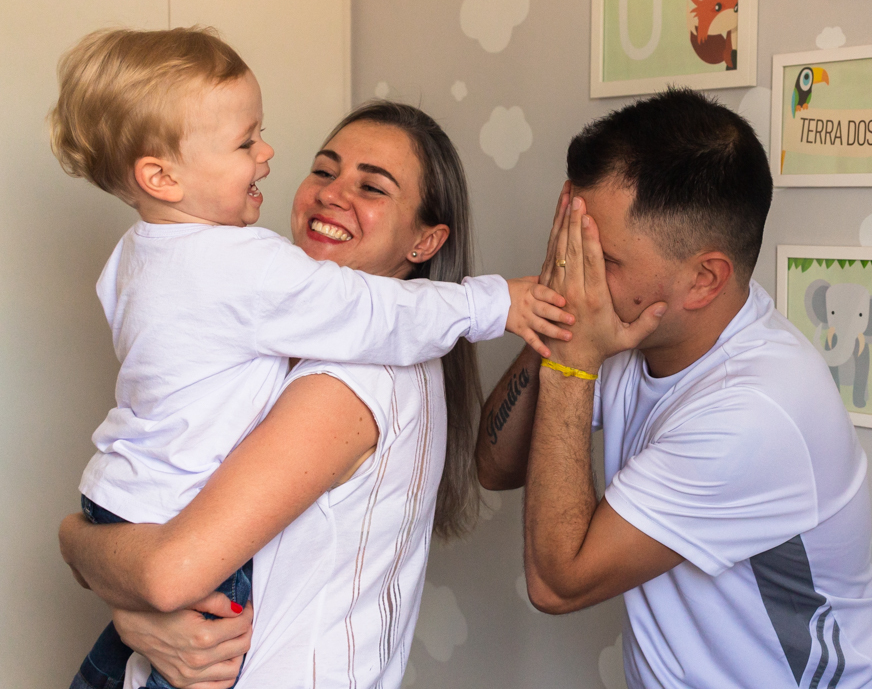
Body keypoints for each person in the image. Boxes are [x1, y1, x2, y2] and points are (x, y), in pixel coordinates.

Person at [60, 100, 539, 686]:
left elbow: (167, 576)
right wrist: (132, 610)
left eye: (373, 188)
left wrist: (79, 541)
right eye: (324, 170)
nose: (334, 194)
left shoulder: (353, 379)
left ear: (424, 242)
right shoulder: (268, 330)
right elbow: (164, 573)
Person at [476, 89, 872, 688]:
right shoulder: (635, 332)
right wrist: (555, 307)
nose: (578, 275)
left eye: (598, 258)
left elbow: (557, 583)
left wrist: (573, 362)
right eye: (569, 248)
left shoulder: (753, 411)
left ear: (705, 280)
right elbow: (496, 464)